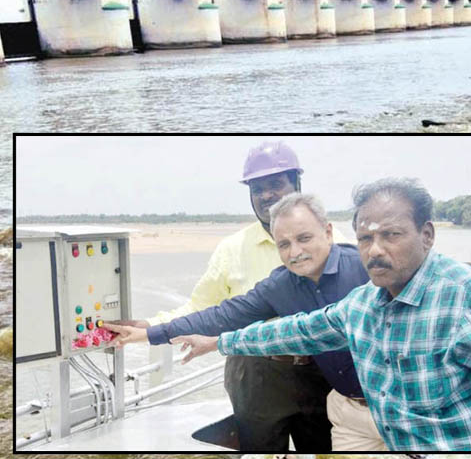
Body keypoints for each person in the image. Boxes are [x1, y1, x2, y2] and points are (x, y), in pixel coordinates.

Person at [167, 178, 471, 452]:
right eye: (365, 239)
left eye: (392, 235)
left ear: (426, 235)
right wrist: (216, 343)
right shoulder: (362, 302)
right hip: (355, 419)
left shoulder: (465, 297)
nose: (375, 251)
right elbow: (295, 331)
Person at [106, 193, 387, 451]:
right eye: (284, 244)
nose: (295, 252)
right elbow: (222, 316)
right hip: (348, 411)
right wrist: (148, 333)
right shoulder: (280, 285)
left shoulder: (366, 269)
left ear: (328, 232)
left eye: (304, 238)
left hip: (396, 405)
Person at [109, 141, 338, 452]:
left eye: (275, 184)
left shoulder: (336, 244)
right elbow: (204, 309)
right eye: (257, 188)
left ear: (296, 184)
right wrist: (149, 327)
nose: (267, 194)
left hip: (322, 370)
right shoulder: (233, 249)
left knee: (327, 451)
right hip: (253, 374)